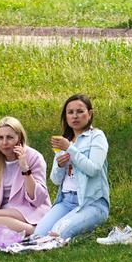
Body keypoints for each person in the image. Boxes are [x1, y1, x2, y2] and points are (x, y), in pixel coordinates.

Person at [31, 94, 110, 241]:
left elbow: (94, 169)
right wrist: (61, 164)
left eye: (80, 111)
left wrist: (71, 149)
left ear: (90, 113)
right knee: (38, 235)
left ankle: (84, 230)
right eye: (70, 112)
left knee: (57, 234)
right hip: (66, 201)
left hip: (91, 202)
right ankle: (77, 227)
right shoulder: (64, 140)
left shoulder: (96, 136)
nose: (75, 116)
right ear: (65, 116)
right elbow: (55, 179)